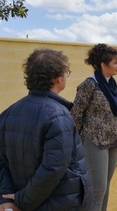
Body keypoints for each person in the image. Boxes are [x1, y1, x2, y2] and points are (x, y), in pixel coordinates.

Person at [0, 48, 93, 211]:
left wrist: (7, 199)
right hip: (61, 202)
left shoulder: (7, 113)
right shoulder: (58, 115)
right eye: (67, 73)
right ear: (58, 79)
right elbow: (53, 168)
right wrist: (22, 200)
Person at [71, 43, 117, 211]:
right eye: (115, 63)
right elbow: (76, 114)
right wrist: (76, 143)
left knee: (105, 186)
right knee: (97, 189)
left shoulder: (111, 84)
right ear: (103, 65)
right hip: (94, 141)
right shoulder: (89, 85)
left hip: (112, 141)